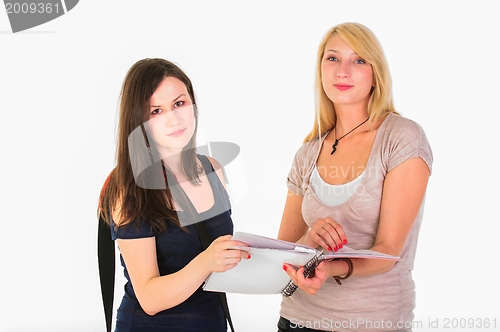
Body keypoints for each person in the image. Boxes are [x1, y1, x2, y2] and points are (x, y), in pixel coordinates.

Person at [277, 22, 433, 332]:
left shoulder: (401, 138)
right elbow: (282, 250)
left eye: (359, 60)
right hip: (298, 320)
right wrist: (308, 241)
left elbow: (389, 250)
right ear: (321, 69)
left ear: (376, 74)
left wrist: (330, 266)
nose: (343, 70)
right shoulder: (308, 152)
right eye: (332, 58)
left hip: (371, 322)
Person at [98, 58, 249, 332]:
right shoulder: (128, 187)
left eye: (179, 104)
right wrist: (206, 262)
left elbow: (220, 260)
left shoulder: (212, 168)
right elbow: (149, 298)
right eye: (156, 111)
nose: (173, 119)